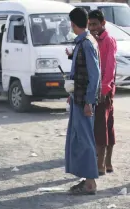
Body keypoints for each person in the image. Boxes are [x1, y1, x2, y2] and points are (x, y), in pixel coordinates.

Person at [65, 8, 101, 195]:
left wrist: (88, 101)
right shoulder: (82, 42)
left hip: (84, 101)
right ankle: (86, 178)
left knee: (85, 140)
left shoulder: (87, 43)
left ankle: (90, 183)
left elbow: (94, 76)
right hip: (77, 98)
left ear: (73, 23)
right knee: (78, 139)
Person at [88, 9, 117, 176]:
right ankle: (107, 163)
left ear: (103, 23)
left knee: (102, 128)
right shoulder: (94, 40)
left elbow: (110, 67)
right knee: (107, 126)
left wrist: (105, 89)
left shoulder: (108, 41)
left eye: (95, 24)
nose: (92, 27)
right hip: (100, 89)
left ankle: (101, 165)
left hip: (104, 91)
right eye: (90, 24)